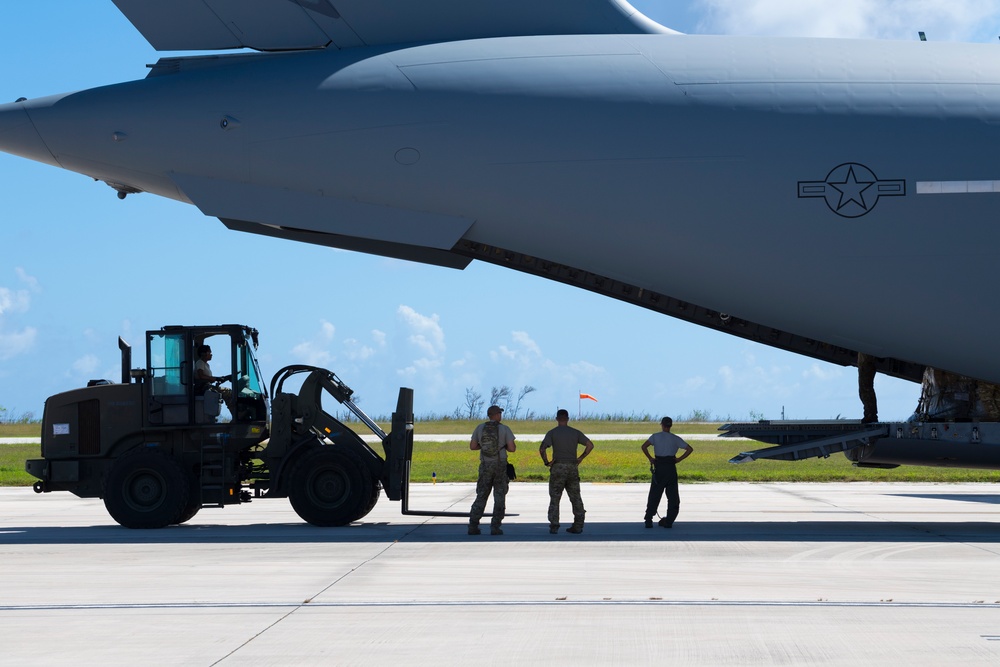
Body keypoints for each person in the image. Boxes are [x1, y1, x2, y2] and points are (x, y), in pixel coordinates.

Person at [539, 409, 594, 534]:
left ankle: (554, 525)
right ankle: (578, 524)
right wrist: (580, 458)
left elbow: (542, 449)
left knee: (555, 498)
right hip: (572, 467)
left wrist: (547, 462)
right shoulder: (575, 433)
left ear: (557, 419)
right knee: (575, 497)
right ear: (568, 418)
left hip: (558, 467)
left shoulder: (552, 433)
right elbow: (590, 445)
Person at [468, 405, 516, 535]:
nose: (501, 415)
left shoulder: (480, 428)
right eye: (499, 413)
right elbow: (512, 448)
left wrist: (484, 448)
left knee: (481, 495)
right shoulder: (504, 429)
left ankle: (473, 525)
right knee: (499, 496)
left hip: (485, 466)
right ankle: (495, 527)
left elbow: (472, 446)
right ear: (496, 415)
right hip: (500, 466)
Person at [641, 416, 693, 529]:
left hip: (659, 467)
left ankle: (648, 520)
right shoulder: (675, 438)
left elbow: (644, 446)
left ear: (662, 425)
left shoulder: (655, 437)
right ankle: (669, 521)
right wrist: (679, 459)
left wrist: (650, 458)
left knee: (654, 495)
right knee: (673, 496)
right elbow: (689, 449)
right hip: (670, 467)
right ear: (670, 426)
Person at [194, 345, 232, 409]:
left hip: (207, 386)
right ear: (203, 353)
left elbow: (210, 379)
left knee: (229, 392)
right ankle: (235, 412)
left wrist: (222, 378)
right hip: (203, 388)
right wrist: (216, 378)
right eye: (209, 353)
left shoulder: (207, 365)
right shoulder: (200, 363)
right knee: (227, 392)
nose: (211, 355)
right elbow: (201, 376)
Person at [858, 352, 878, 423]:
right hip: (865, 363)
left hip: (865, 364)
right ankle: (870, 414)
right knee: (865, 390)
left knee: (865, 390)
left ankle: (870, 414)